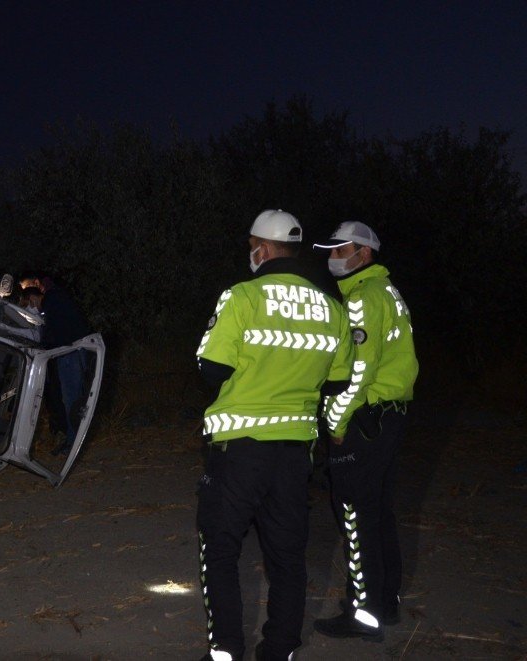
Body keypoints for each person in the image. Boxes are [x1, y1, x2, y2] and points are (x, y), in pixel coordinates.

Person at [195, 210, 354, 661]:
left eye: (251, 247)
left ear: (262, 249)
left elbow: (212, 368)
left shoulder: (242, 296)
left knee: (220, 549)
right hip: (295, 454)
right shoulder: (332, 307)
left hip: (238, 449)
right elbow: (340, 381)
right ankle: (280, 650)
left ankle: (225, 648)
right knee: (287, 558)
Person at [312, 221, 419, 641]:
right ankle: (384, 604)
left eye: (342, 250)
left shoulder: (363, 299)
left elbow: (358, 374)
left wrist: (335, 424)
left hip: (366, 421)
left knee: (355, 516)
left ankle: (363, 614)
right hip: (389, 416)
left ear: (365, 254)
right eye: (332, 250)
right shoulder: (385, 291)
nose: (333, 257)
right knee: (378, 514)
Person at [18, 275, 93, 456]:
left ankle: (73, 443)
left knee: (71, 399)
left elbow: (54, 334)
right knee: (72, 398)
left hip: (70, 353)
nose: (30, 308)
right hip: (72, 352)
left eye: (28, 303)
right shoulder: (55, 299)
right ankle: (73, 440)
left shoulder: (52, 301)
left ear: (34, 297)